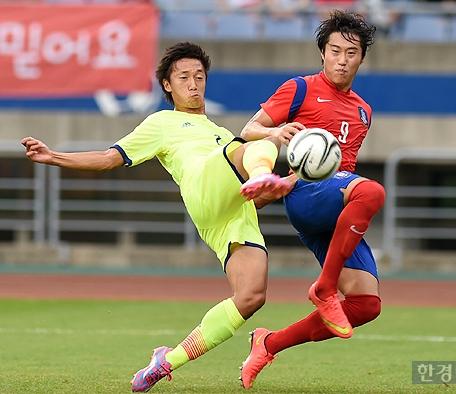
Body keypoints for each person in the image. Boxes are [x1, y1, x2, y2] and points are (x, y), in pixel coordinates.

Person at [21, 42, 292, 393]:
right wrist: (54, 156)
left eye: (199, 77)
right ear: (167, 84)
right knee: (263, 139)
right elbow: (108, 158)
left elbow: (254, 204)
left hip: (234, 212)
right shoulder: (162, 122)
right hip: (201, 189)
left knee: (252, 296)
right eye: (184, 78)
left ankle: (166, 360)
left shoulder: (221, 134)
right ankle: (262, 171)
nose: (193, 84)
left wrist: (275, 189)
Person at [239, 9, 386, 388]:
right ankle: (324, 287)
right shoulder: (299, 88)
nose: (342, 60)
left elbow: (346, 165)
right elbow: (248, 130)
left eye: (351, 53)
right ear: (322, 52)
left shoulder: (363, 111)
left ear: (362, 58)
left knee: (366, 305)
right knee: (372, 190)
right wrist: (276, 134)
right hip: (304, 191)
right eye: (335, 51)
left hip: (335, 202)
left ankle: (268, 344)